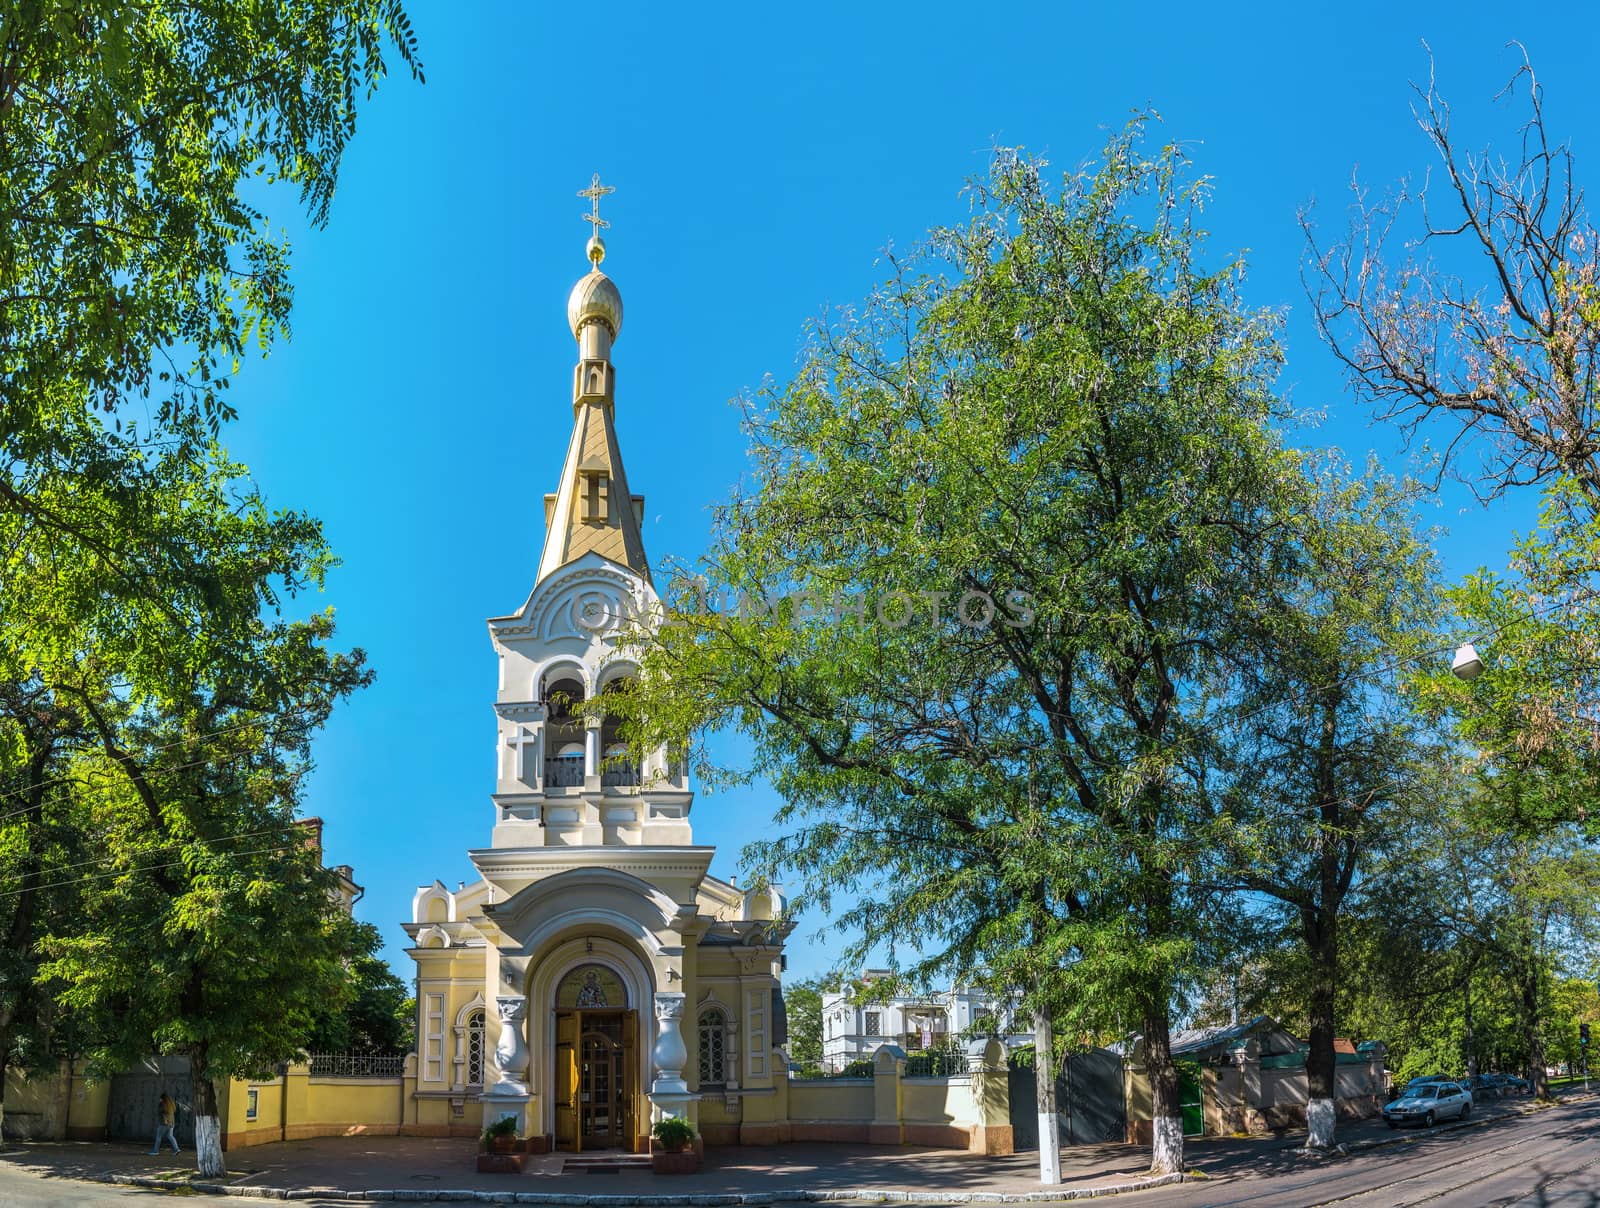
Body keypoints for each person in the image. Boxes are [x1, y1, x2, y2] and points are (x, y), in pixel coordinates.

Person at [148, 1091, 180, 1155]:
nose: (159, 1099)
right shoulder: (171, 1105)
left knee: (158, 1137)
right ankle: (177, 1149)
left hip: (164, 1123)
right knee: (170, 1136)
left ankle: (155, 1151)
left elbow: (161, 1113)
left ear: (162, 1098)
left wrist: (159, 1103)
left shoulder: (162, 1104)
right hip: (172, 1123)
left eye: (160, 1098)